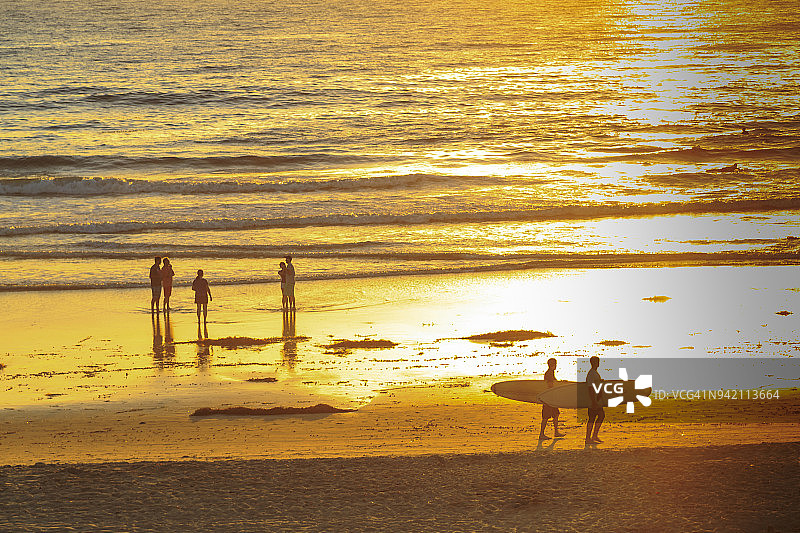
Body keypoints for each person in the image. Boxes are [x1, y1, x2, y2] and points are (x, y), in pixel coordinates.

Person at [539, 358, 566, 440]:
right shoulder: (549, 373)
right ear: (552, 365)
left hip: (551, 398)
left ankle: (556, 432)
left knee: (556, 414)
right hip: (548, 399)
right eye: (555, 364)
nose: (556, 366)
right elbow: (550, 385)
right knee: (545, 417)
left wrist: (561, 382)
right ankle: (541, 434)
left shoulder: (551, 372)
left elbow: (554, 382)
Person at [585, 355, 605, 444]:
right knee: (593, 418)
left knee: (600, 416)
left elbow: (596, 385)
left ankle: (594, 436)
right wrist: (593, 402)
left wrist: (601, 382)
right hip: (593, 400)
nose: (597, 364)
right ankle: (588, 438)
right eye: (596, 362)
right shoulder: (591, 374)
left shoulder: (594, 373)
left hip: (596, 399)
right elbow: (590, 388)